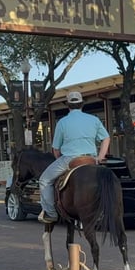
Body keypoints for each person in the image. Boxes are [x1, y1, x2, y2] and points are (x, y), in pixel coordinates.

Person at [38, 91, 110, 224]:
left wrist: (59, 159)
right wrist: (100, 157)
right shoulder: (94, 120)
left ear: (68, 105)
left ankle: (51, 213)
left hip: (70, 159)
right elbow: (106, 138)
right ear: (82, 104)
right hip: (91, 159)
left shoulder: (62, 122)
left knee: (44, 180)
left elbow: (56, 149)